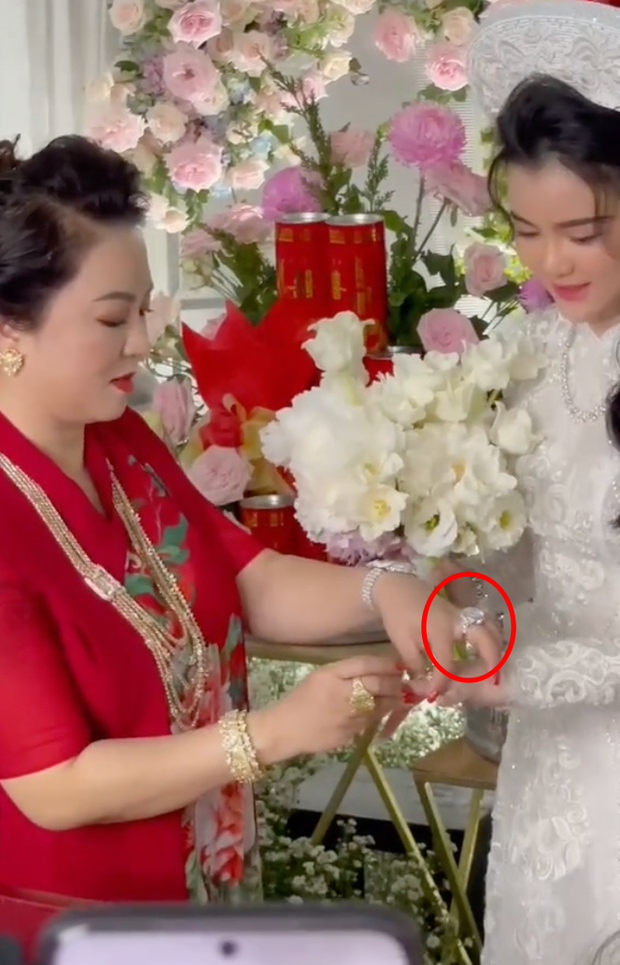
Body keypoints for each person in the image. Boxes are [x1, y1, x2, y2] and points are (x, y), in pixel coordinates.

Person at [0, 133, 499, 942]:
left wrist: (389, 590)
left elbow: (247, 577)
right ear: (9, 328)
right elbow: (53, 785)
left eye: (144, 311)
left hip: (207, 876)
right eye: (112, 318)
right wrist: (270, 734)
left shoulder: (118, 439)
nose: (142, 342)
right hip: (76, 922)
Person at [429, 0, 620, 965]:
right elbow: (512, 545)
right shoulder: (529, 350)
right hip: (552, 768)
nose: (550, 262)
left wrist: (534, 673)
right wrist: (463, 600)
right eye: (526, 230)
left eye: (582, 230)